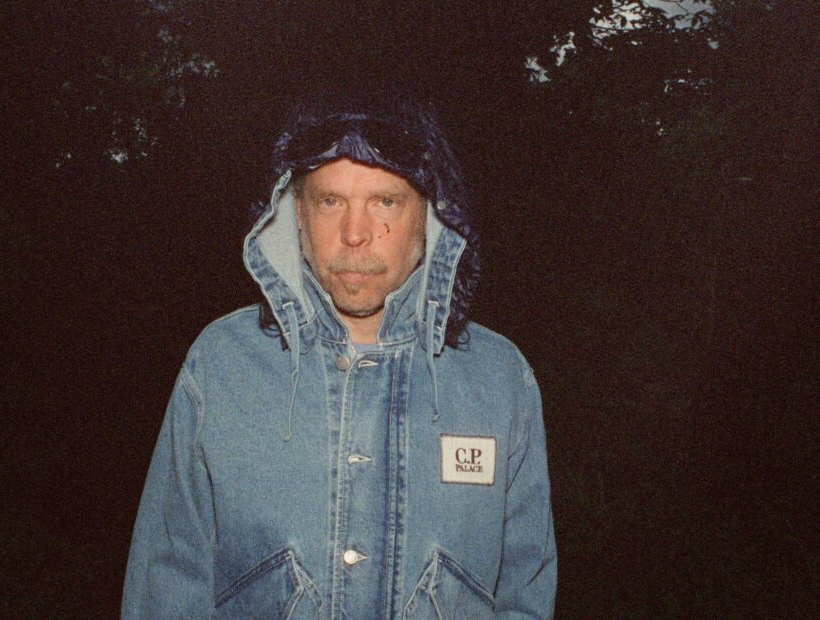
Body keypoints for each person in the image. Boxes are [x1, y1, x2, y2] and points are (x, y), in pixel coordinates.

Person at [122, 92, 556, 619]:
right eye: (330, 201)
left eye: (385, 202)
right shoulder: (219, 366)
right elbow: (165, 588)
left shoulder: (500, 380)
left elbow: (525, 597)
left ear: (431, 215)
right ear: (295, 213)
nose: (354, 234)